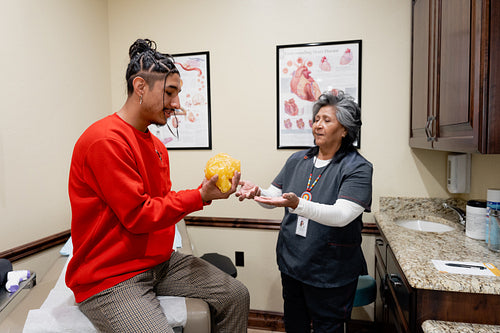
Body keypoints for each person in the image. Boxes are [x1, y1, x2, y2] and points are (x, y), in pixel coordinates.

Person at [66, 38, 249, 333]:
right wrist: (198, 196)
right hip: (111, 277)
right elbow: (139, 215)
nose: (177, 104)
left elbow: (160, 200)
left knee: (236, 294)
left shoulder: (156, 146)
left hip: (158, 264)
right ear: (140, 87)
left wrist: (205, 193)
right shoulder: (105, 140)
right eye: (170, 93)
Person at [236, 91, 372, 333]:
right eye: (316, 119)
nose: (318, 125)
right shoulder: (297, 160)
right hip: (293, 264)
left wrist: (298, 205)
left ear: (345, 130)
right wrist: (257, 192)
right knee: (295, 325)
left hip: (331, 272)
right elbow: (275, 198)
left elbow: (341, 216)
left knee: (327, 329)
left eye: (327, 120)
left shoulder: (358, 168)